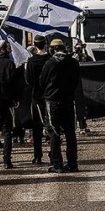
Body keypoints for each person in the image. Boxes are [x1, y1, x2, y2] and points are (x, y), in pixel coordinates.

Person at [39, 38, 80, 173]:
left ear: (52, 49)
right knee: (70, 133)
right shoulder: (73, 62)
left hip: (53, 101)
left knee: (54, 133)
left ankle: (57, 163)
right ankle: (73, 163)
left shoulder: (49, 63)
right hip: (68, 100)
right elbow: (76, 81)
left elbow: (42, 81)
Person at [0, 40, 19, 169]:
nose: (9, 50)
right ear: (2, 50)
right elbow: (13, 84)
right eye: (7, 48)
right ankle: (6, 159)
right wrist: (15, 98)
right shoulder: (9, 64)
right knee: (7, 131)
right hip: (3, 101)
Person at [24, 35, 50, 165]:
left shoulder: (31, 61)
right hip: (50, 95)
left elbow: (28, 80)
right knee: (51, 125)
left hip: (36, 96)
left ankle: (38, 155)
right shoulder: (50, 60)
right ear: (45, 44)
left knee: (37, 128)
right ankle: (53, 153)